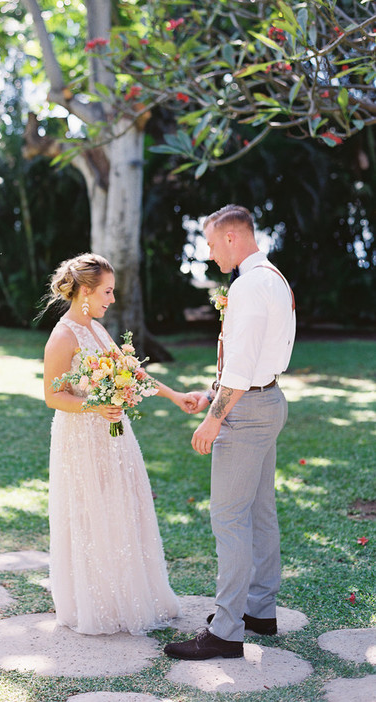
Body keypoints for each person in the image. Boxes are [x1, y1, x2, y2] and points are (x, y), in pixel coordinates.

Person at [164, 205, 296, 661]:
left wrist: (215, 416)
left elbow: (242, 367)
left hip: (247, 411)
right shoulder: (274, 279)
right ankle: (259, 610)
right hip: (268, 400)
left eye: (213, 243)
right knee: (259, 511)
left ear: (235, 238)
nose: (209, 251)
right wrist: (213, 392)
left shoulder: (247, 286)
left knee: (229, 518)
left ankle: (226, 631)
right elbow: (253, 361)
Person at [43, 252, 190, 635]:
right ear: (86, 291)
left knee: (123, 510)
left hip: (115, 437)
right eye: (107, 291)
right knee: (93, 514)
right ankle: (101, 604)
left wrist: (173, 395)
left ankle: (132, 595)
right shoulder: (63, 336)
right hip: (81, 439)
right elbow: (53, 396)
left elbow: (132, 373)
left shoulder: (97, 328)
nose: (111, 299)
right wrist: (96, 404)